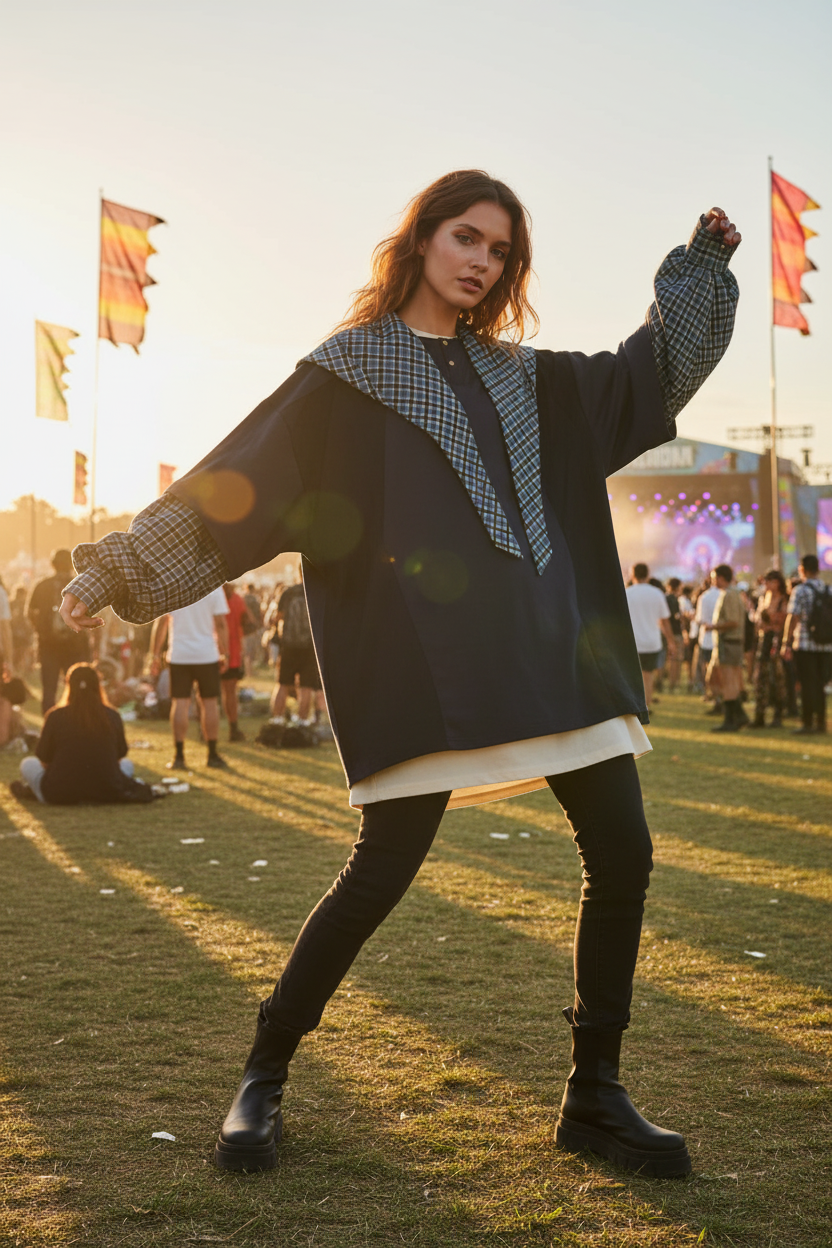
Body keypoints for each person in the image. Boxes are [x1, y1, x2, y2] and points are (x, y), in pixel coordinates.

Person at [59, 172, 741, 1179]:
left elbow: (649, 377)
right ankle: (264, 1074)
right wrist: (119, 567)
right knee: (379, 875)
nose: (481, 261)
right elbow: (234, 483)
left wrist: (696, 276)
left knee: (625, 854)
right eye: (465, 237)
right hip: (427, 670)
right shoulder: (344, 377)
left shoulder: (534, 379)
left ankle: (594, 1096)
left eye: (500, 250)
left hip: (552, 656)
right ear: (420, 239)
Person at [10, 663, 151, 805]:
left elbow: (44, 760)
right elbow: (119, 757)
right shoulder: (112, 715)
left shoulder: (55, 716)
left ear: (69, 687)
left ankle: (35, 791)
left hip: (59, 793)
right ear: (98, 686)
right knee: (127, 765)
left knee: (27, 764)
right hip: (107, 790)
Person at [150, 588, 231, 769]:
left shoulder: (172, 583)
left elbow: (161, 623)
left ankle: (179, 756)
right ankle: (212, 754)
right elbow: (221, 623)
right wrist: (225, 653)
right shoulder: (214, 585)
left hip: (179, 654)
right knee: (209, 703)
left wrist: (155, 655)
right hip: (207, 654)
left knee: (180, 703)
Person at [27, 549, 90, 713]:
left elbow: (30, 612)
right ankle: (78, 721)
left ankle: (49, 725)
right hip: (75, 645)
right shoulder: (80, 584)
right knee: (78, 685)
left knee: (49, 689)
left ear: (53, 565)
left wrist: (41, 631)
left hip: (48, 645)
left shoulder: (42, 586)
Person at [782, 554, 832, 735]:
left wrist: (785, 642)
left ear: (802, 569)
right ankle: (820, 722)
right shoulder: (828, 589)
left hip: (804, 643)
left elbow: (793, 617)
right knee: (820, 684)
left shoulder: (800, 590)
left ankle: (807, 722)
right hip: (826, 645)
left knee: (806, 684)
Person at [702, 564, 748, 733]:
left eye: (714, 577)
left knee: (728, 682)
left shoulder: (729, 595)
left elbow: (733, 621)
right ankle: (740, 715)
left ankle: (730, 720)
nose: (712, 581)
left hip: (729, 642)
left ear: (721, 577)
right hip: (731, 643)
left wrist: (713, 627)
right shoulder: (733, 594)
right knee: (732, 682)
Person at [269, 579, 320, 728]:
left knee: (282, 683)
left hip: (289, 645)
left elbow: (278, 617)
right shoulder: (316, 591)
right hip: (310, 647)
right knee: (306, 686)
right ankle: (303, 720)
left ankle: (277, 719)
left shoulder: (288, 592)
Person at [624, 565, 672, 710]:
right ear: (648, 574)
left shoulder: (627, 593)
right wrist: (671, 641)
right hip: (652, 641)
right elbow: (664, 621)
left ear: (632, 575)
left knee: (632, 675)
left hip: (632, 642)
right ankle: (647, 703)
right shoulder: (657, 593)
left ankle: (635, 704)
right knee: (648, 674)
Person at [749, 570, 788, 728]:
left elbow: (781, 622)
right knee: (760, 679)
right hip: (763, 640)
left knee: (777, 680)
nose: (766, 584)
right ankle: (760, 715)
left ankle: (778, 715)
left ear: (777, 582)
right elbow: (758, 622)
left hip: (775, 641)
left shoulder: (782, 600)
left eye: (769, 581)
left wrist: (768, 620)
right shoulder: (764, 598)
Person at [221, 582, 254, 742]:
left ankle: (204, 729)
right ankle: (233, 728)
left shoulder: (210, 596)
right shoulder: (237, 599)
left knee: (207, 694)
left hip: (213, 650)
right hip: (233, 650)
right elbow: (249, 623)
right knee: (230, 692)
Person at [692, 576, 721, 707]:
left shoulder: (704, 597)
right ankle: (719, 695)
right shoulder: (724, 594)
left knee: (707, 668)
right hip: (721, 638)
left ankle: (711, 693)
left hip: (707, 639)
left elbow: (700, 619)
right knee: (719, 670)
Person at [664, 578, 684, 692]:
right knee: (676, 660)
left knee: (667, 660)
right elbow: (676, 616)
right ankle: (673, 683)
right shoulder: (673, 599)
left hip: (666, 632)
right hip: (675, 632)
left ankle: (661, 682)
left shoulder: (664, 598)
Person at [242, 583, 263, 674]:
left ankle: (248, 670)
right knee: (251, 651)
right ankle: (249, 671)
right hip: (254, 628)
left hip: (244, 628)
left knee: (246, 651)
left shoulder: (243, 598)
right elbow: (260, 613)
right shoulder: (256, 599)